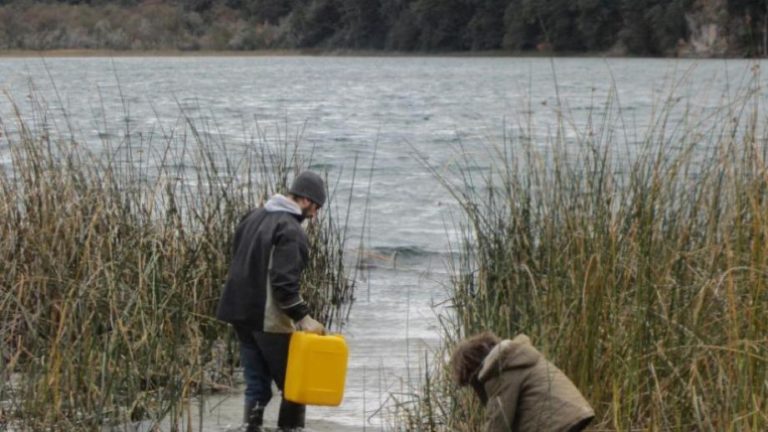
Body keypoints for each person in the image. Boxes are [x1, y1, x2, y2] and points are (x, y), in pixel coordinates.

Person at [216, 171, 327, 432]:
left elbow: (238, 259)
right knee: (294, 387)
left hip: (238, 312)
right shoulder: (290, 230)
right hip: (266, 317)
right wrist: (303, 317)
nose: (315, 215)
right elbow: (283, 283)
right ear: (306, 200)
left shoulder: (252, 217)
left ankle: (250, 427)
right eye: (317, 207)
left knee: (256, 383)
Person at [450, 331, 595, 432]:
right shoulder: (516, 357)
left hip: (555, 424)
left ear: (474, 372)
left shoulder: (501, 372)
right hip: (573, 413)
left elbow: (498, 422)